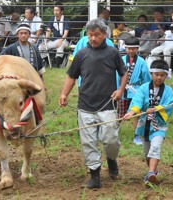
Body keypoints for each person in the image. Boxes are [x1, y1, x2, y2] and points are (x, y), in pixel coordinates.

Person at [58, 19, 128, 189]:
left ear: (104, 34)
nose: (93, 38)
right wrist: (64, 94)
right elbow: (71, 76)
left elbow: (124, 73)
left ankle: (111, 159)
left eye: (97, 35)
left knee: (111, 139)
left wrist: (120, 90)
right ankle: (95, 175)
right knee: (88, 142)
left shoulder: (113, 53)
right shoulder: (81, 54)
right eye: (90, 35)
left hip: (108, 104)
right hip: (85, 105)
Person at [123, 59, 173, 185]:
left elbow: (169, 105)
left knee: (155, 147)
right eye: (156, 74)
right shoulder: (143, 88)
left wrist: (156, 109)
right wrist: (132, 112)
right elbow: (137, 101)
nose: (159, 78)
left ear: (166, 76)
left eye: (162, 75)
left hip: (159, 125)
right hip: (144, 124)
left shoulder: (168, 91)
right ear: (151, 74)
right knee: (147, 152)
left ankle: (150, 173)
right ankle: (153, 172)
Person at [117, 36, 151, 145]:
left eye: (133, 48)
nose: (130, 51)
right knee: (119, 114)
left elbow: (146, 78)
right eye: (128, 48)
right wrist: (117, 89)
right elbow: (116, 76)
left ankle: (137, 135)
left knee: (137, 114)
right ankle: (114, 134)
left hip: (136, 91)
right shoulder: (121, 60)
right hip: (123, 90)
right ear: (125, 48)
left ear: (137, 49)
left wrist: (145, 92)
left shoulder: (141, 62)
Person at [38, 2, 70, 68]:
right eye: (54, 10)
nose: (55, 12)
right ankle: (48, 62)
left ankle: (57, 65)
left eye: (57, 10)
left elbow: (65, 34)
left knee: (60, 47)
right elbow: (48, 30)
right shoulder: (52, 19)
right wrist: (45, 41)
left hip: (64, 40)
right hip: (54, 40)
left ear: (61, 11)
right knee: (41, 47)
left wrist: (60, 41)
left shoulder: (66, 20)